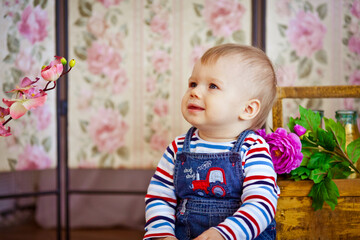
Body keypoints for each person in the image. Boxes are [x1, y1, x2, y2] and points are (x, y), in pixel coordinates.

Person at [144, 43, 279, 240]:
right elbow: (159, 197)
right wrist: (162, 234)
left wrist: (225, 234)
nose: (195, 92)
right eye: (193, 83)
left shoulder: (253, 149)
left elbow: (261, 202)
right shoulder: (178, 148)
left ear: (247, 109)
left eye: (212, 86)